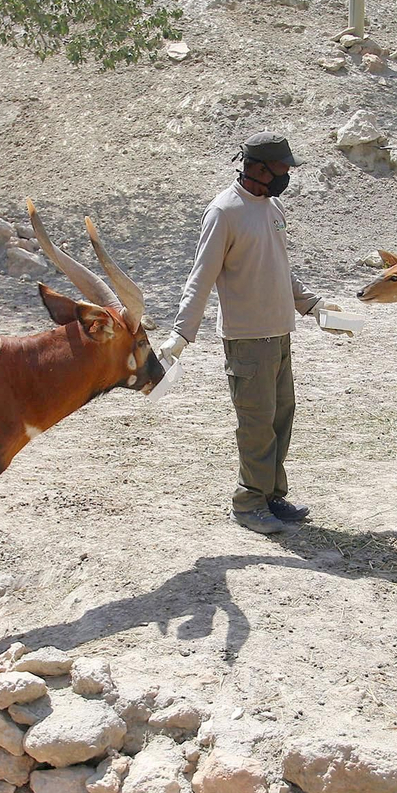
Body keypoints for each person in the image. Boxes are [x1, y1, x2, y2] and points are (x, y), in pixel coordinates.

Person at [155, 132, 348, 535]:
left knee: (280, 418)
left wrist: (312, 306)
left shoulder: (273, 207)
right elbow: (200, 278)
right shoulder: (223, 212)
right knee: (256, 423)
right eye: (281, 169)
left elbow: (280, 267)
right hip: (247, 339)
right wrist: (181, 335)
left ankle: (271, 496)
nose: (286, 176)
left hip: (279, 334)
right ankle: (247, 503)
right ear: (257, 168)